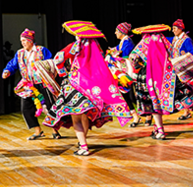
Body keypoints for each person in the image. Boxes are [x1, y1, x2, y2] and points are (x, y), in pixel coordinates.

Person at [44, 21, 131, 156]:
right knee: (84, 115)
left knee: (76, 118)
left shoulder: (75, 46)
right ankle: (82, 143)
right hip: (92, 85)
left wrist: (62, 71)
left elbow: (58, 58)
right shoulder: (97, 48)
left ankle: (83, 146)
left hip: (76, 84)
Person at [129, 24, 193, 139]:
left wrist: (139, 66)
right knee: (161, 101)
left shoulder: (145, 41)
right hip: (166, 74)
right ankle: (157, 128)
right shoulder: (164, 41)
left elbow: (133, 57)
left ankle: (160, 130)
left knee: (153, 103)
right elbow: (172, 54)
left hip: (150, 75)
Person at [2, 28, 60, 140]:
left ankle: (55, 130)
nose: (22, 43)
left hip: (42, 83)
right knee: (26, 108)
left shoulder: (41, 50)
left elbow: (51, 63)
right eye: (21, 40)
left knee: (50, 107)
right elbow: (13, 64)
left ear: (30, 40)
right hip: (28, 84)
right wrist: (7, 70)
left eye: (24, 40)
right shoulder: (20, 53)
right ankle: (38, 131)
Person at [106, 22, 142, 127]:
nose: (115, 33)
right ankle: (136, 116)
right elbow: (116, 50)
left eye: (117, 31)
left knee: (132, 95)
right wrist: (111, 52)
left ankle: (144, 116)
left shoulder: (128, 42)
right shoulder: (123, 41)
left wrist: (113, 56)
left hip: (130, 71)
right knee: (125, 94)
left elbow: (124, 56)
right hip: (124, 71)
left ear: (122, 32)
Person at [167, 19, 193, 120]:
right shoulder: (175, 39)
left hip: (186, 69)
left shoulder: (186, 40)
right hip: (178, 70)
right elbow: (164, 39)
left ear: (180, 28)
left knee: (192, 90)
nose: (173, 30)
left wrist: (185, 55)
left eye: (174, 28)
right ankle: (187, 111)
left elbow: (192, 53)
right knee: (184, 91)